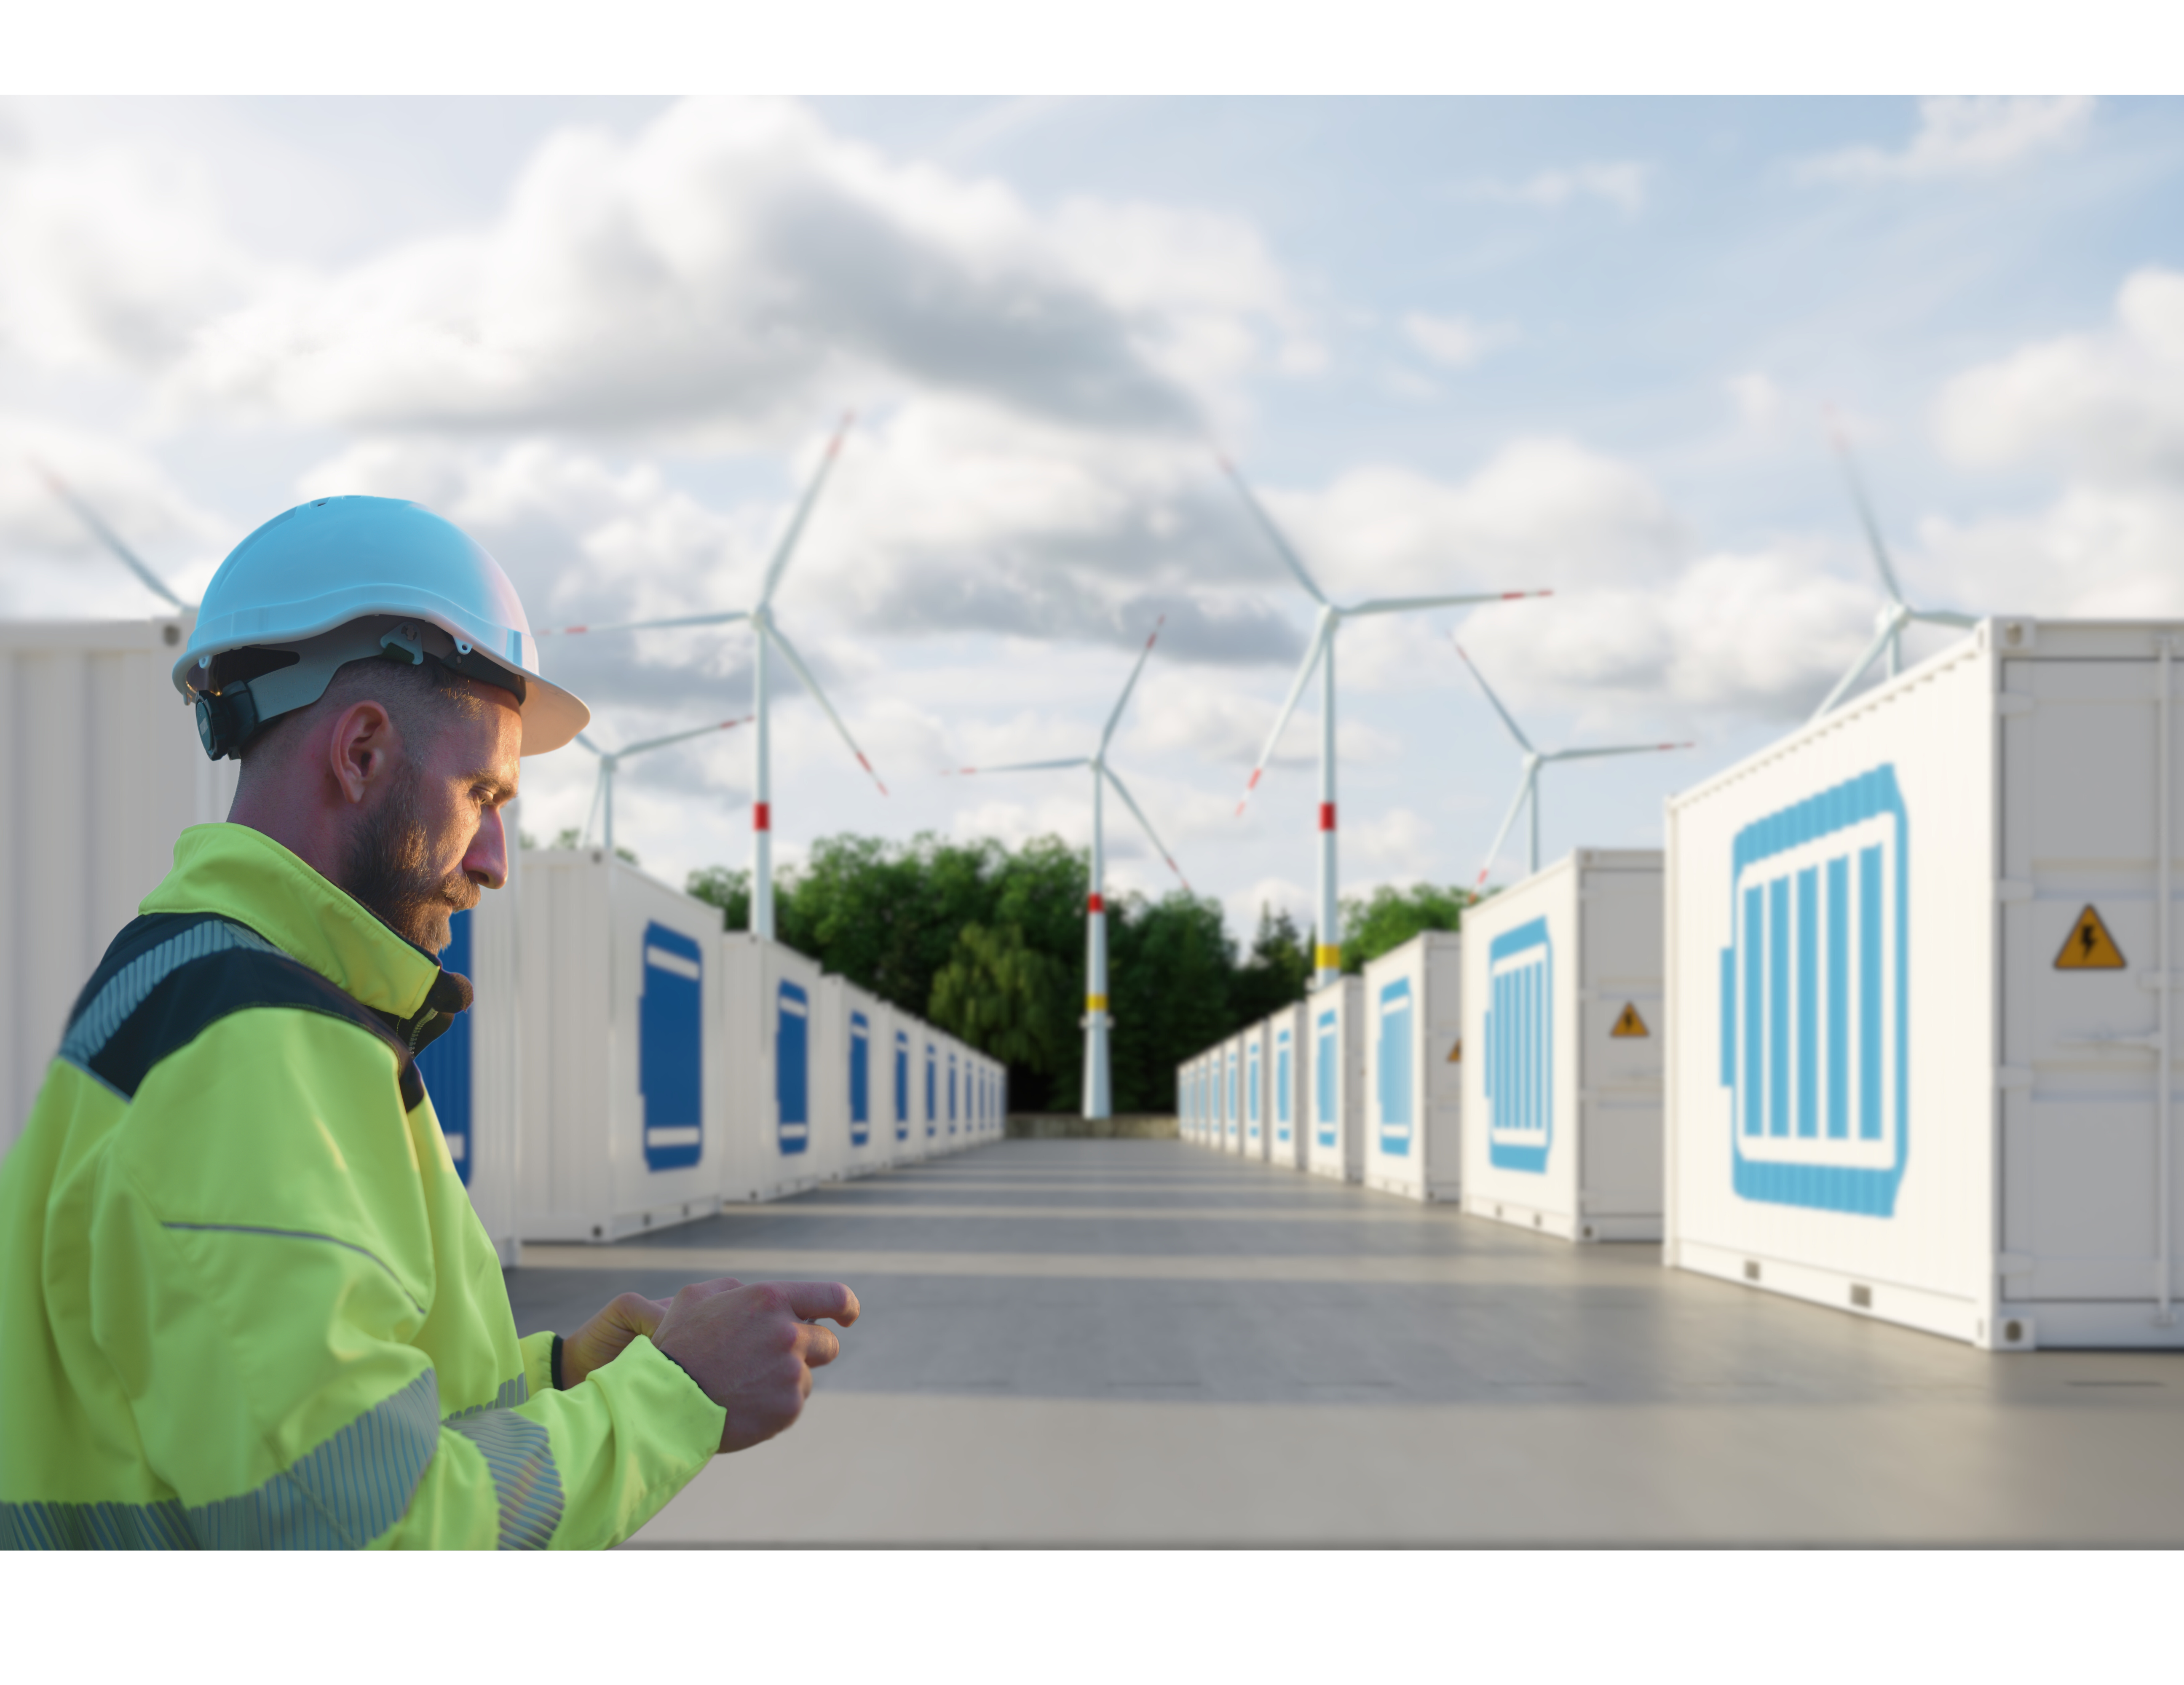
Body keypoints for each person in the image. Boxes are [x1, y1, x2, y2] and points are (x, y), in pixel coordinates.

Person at [0, 495, 856, 1550]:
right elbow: (367, 1525)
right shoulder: (251, 1048)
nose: (497, 858)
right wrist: (677, 1396)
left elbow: (285, 1430)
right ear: (361, 752)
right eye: (481, 794)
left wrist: (562, 1376)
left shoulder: (212, 994)